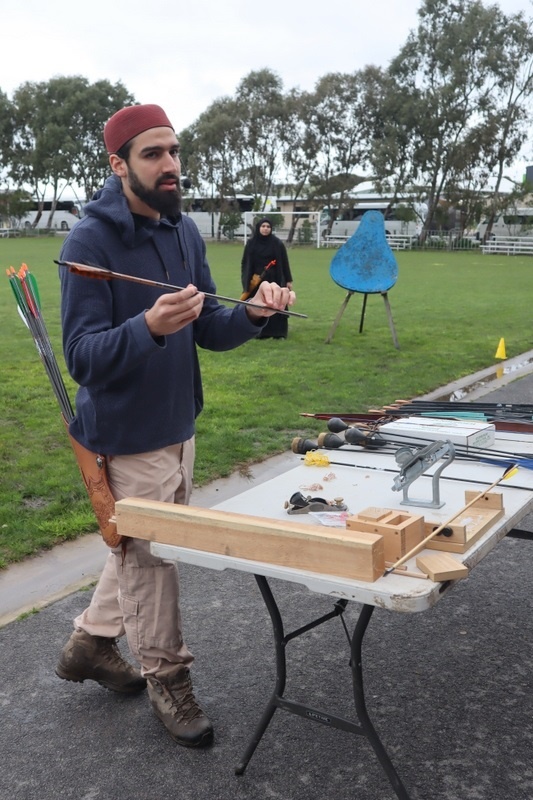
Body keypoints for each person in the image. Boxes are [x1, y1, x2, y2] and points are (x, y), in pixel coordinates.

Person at [55, 104, 295, 749]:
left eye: (174, 151)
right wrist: (146, 327)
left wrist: (249, 314)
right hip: (126, 435)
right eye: (153, 154)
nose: (170, 165)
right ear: (119, 164)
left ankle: (89, 644)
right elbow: (80, 357)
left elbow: (211, 329)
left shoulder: (184, 231)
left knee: (136, 550)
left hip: (179, 424)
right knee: (152, 562)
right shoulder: (89, 244)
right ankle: (168, 677)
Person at [241, 218, 293, 339]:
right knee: (259, 305)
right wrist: (246, 280)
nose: (265, 228)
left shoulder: (277, 243)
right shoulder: (251, 243)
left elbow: (284, 262)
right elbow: (246, 263)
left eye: (268, 226)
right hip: (257, 281)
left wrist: (288, 280)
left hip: (275, 278)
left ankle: (278, 332)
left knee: (276, 304)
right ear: (259, 228)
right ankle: (259, 332)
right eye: (263, 226)